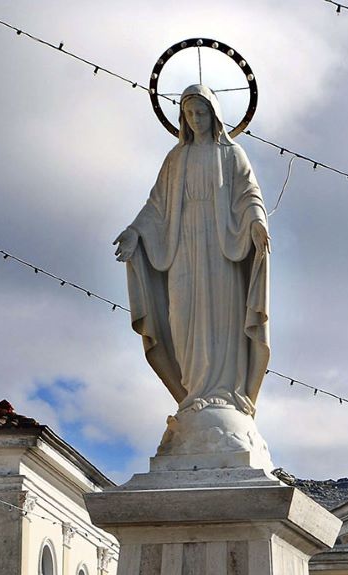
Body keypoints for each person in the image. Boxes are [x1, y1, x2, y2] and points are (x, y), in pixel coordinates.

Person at [115, 85, 270, 418]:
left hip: (221, 246)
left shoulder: (231, 154)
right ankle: (193, 392)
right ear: (182, 118)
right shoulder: (176, 158)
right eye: (189, 114)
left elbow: (248, 194)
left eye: (202, 113)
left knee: (221, 316)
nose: (196, 119)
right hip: (182, 245)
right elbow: (156, 205)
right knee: (182, 316)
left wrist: (256, 222)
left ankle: (226, 394)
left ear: (214, 115)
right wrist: (134, 232)